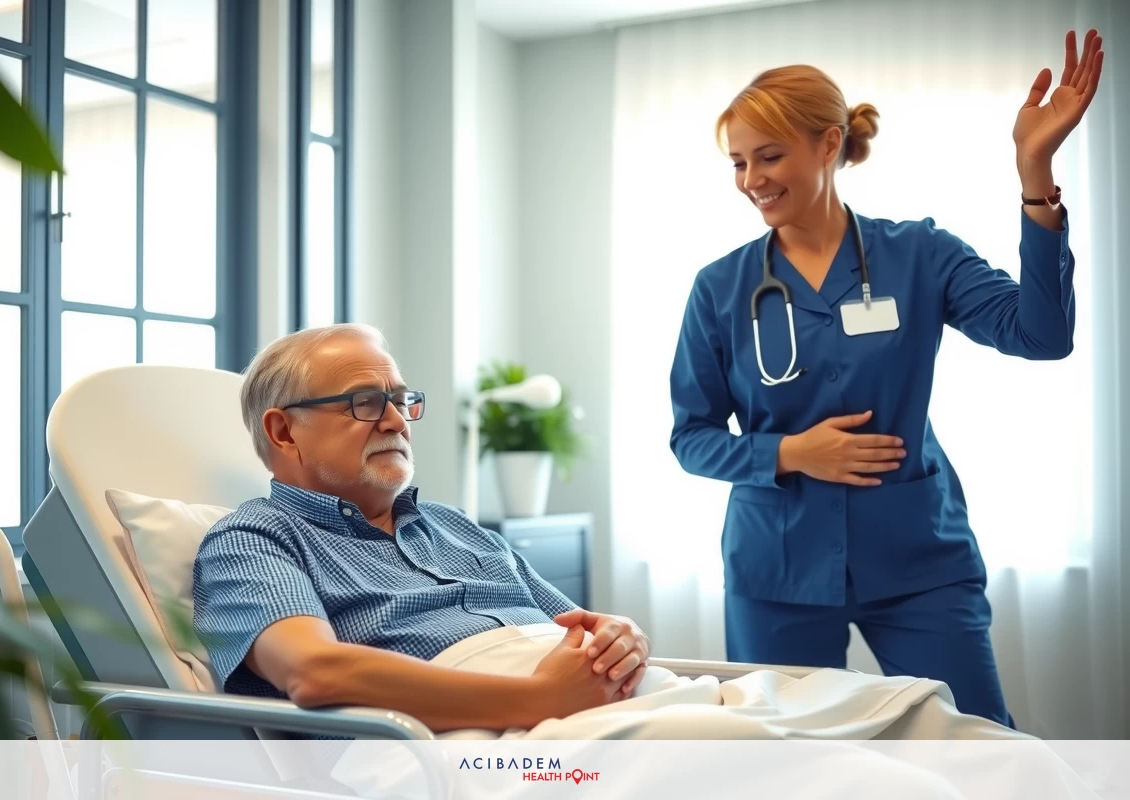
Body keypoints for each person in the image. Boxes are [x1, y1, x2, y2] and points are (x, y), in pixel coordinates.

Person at [668, 30, 1104, 728]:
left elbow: (1042, 336)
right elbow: (690, 437)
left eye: (770, 156)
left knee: (980, 748)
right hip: (777, 572)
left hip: (918, 563)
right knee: (788, 765)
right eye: (740, 163)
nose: (753, 180)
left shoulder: (920, 255)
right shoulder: (720, 288)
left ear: (830, 144)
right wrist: (788, 452)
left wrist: (1034, 171)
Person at [191, 324, 651, 733]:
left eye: (400, 401)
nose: (396, 421)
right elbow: (314, 672)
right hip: (486, 742)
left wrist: (620, 635)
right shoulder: (254, 538)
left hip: (608, 708)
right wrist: (539, 701)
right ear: (285, 433)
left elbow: (576, 628)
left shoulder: (456, 526)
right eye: (365, 403)